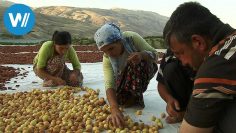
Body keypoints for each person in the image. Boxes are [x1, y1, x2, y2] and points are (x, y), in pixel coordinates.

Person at [166, 2, 236, 133]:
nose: (182, 62)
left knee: (217, 116)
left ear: (198, 42)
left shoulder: (217, 64)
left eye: (180, 54)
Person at [94, 23, 158, 128]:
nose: (108, 53)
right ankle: (130, 95)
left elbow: (155, 55)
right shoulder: (107, 57)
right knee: (118, 101)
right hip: (126, 76)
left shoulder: (131, 38)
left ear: (120, 41)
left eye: (111, 48)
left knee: (134, 62)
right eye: (104, 51)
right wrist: (114, 108)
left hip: (144, 68)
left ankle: (135, 95)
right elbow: (109, 83)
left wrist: (141, 55)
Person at [157, 20, 196, 124]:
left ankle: (190, 114)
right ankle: (181, 110)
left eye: (181, 52)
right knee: (170, 69)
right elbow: (161, 85)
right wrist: (169, 99)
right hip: (184, 96)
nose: (183, 62)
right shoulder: (170, 54)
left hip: (201, 98)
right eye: (176, 53)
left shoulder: (205, 56)